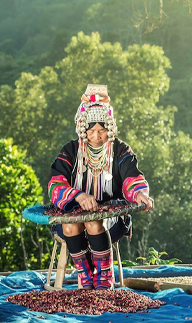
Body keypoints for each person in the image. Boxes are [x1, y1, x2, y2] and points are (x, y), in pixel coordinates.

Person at [48, 84, 154, 290]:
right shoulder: (71, 150)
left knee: (94, 223)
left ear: (110, 129)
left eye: (102, 130)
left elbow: (131, 177)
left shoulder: (120, 150)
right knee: (70, 226)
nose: (96, 137)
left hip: (110, 216)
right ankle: (86, 276)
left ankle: (104, 277)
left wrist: (140, 193)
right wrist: (77, 196)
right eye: (92, 131)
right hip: (73, 211)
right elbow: (55, 183)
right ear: (83, 129)